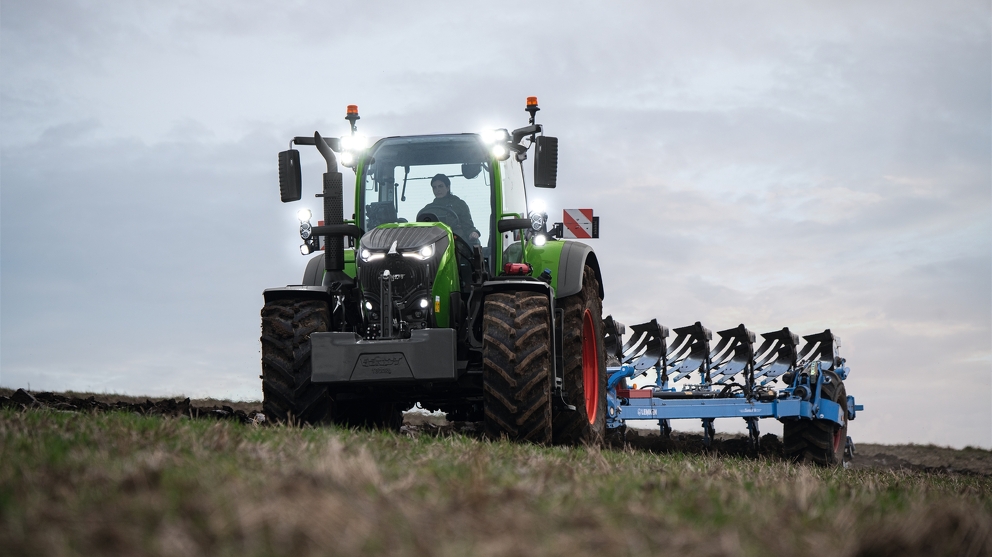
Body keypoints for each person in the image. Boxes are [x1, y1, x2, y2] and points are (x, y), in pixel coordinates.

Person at [424, 173, 480, 241]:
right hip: (434, 244)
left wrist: (473, 233)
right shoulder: (428, 209)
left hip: (457, 242)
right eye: (434, 187)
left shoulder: (459, 205)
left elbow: (468, 227)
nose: (437, 190)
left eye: (440, 186)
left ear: (448, 187)